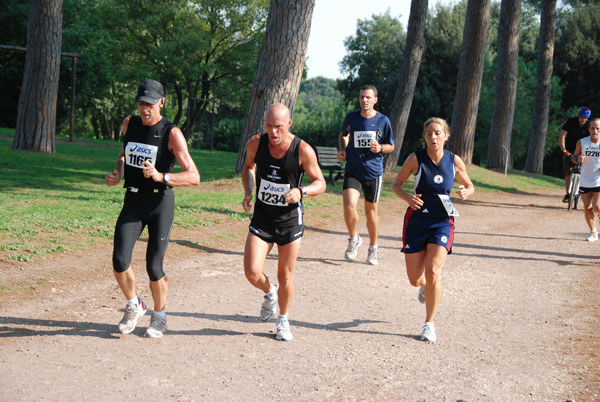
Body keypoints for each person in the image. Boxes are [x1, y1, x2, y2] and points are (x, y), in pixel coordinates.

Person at [105, 79, 200, 338]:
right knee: (119, 259)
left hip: (160, 203)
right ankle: (135, 304)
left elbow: (194, 176)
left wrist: (162, 177)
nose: (144, 109)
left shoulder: (171, 133)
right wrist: (118, 172)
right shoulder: (130, 124)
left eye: (149, 103)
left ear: (162, 102)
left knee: (153, 267)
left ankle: (160, 316)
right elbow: (124, 154)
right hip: (133, 200)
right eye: (140, 103)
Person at [241, 103, 326, 341]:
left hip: (289, 221)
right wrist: (248, 191)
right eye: (269, 126)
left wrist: (302, 191)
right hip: (263, 218)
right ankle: (270, 293)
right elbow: (248, 167)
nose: (273, 132)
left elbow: (321, 182)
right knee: (251, 271)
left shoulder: (302, 150)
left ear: (289, 124)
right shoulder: (256, 144)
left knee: (285, 276)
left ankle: (283, 320)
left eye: (278, 126)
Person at [391, 117, 474, 342]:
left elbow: (469, 184)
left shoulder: (454, 161)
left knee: (434, 271)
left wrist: (467, 191)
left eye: (437, 133)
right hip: (416, 223)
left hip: (442, 222)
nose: (433, 137)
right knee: (415, 279)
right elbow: (395, 185)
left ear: (446, 136)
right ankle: (425, 287)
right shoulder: (415, 159)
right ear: (424, 136)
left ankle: (429, 323)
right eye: (429, 133)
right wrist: (408, 198)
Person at [337, 84, 395, 265]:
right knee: (348, 205)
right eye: (362, 97)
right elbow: (343, 135)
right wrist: (342, 148)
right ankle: (354, 239)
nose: (364, 100)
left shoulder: (383, 120)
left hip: (373, 173)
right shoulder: (351, 117)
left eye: (368, 97)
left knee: (371, 213)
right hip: (353, 170)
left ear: (375, 100)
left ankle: (373, 248)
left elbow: (391, 145)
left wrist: (381, 147)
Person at [570, 117, 600, 242]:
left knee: (597, 206)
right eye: (592, 128)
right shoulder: (582, 142)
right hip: (585, 179)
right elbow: (573, 157)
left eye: (598, 128)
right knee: (587, 207)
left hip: (598, 179)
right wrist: (577, 160)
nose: (595, 131)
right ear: (588, 129)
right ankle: (593, 232)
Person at [559, 107, 591, 203]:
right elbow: (562, 136)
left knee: (585, 173)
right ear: (578, 116)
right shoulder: (570, 122)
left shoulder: (589, 126)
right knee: (568, 173)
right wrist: (563, 149)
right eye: (581, 117)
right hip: (569, 150)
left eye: (585, 118)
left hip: (583, 152)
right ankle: (568, 194)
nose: (583, 120)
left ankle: (581, 190)